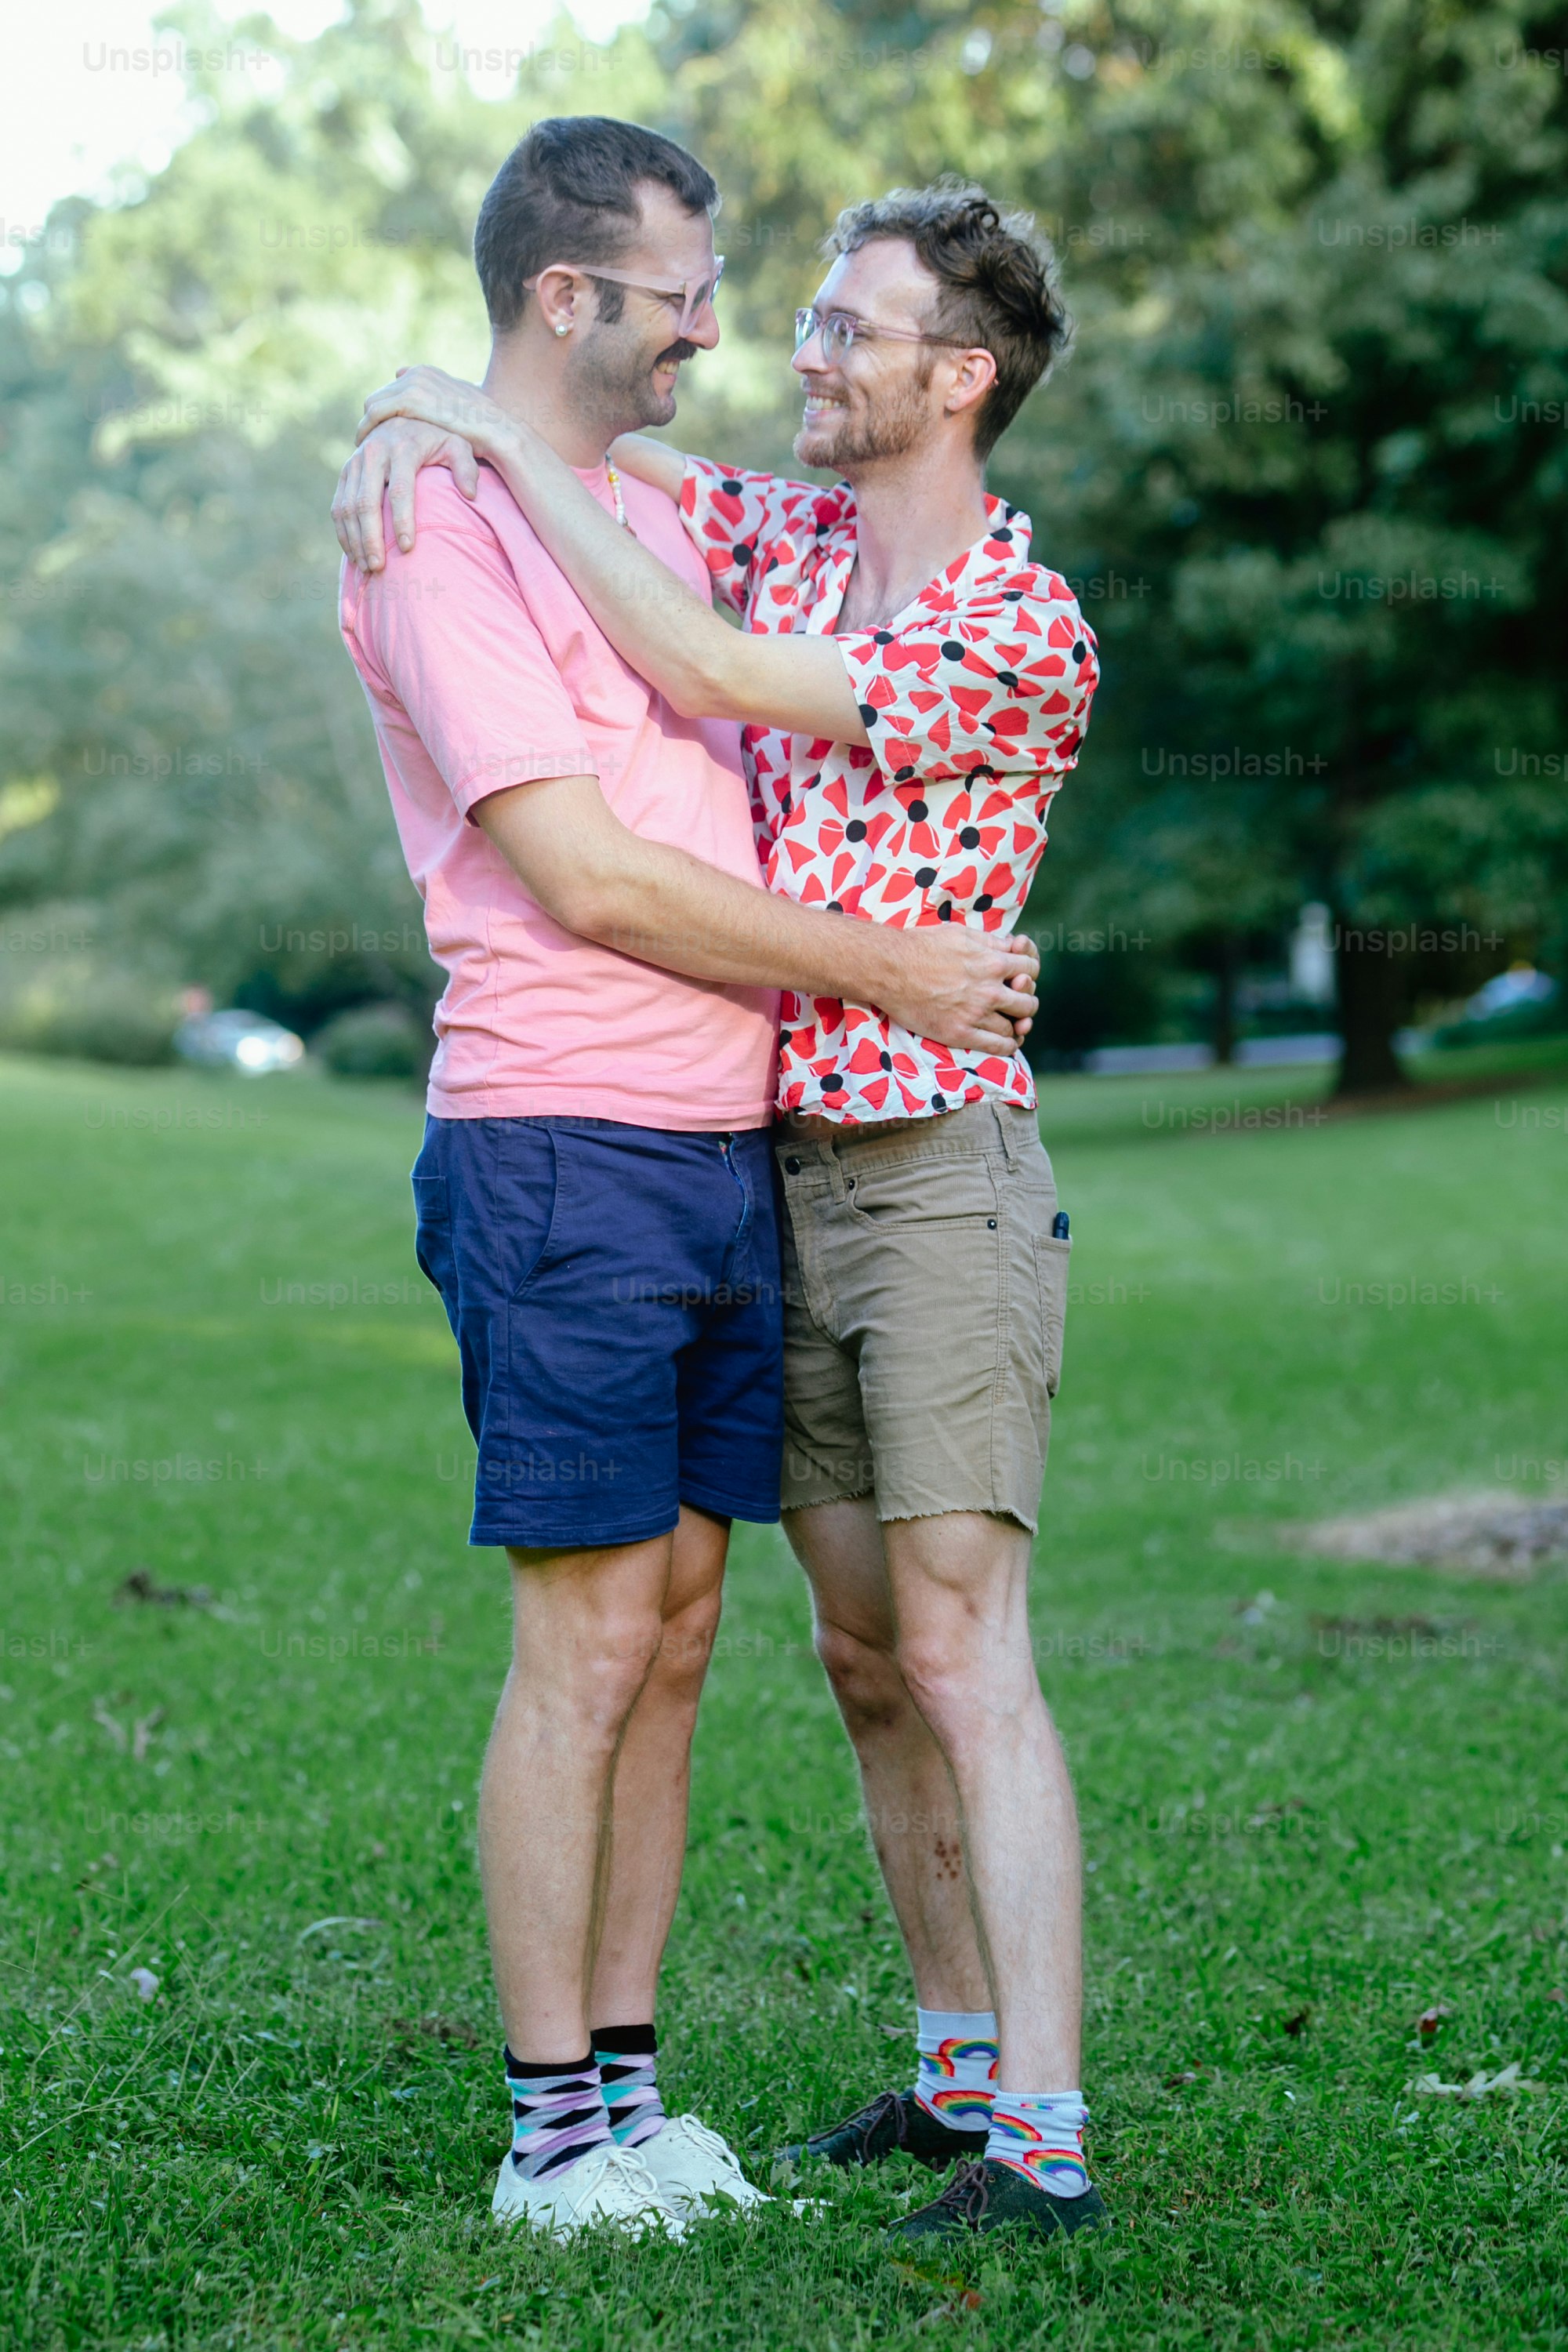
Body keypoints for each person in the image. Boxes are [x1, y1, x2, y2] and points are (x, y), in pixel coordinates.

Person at [333, 120, 1039, 2243]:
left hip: (721, 1144)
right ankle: (553, 2134)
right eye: (683, 293)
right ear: (573, 296)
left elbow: (743, 671)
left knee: (677, 1625)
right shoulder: (437, 538)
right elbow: (590, 872)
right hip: (565, 1134)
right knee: (583, 1638)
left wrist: (421, 394)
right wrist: (896, 968)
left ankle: (627, 2102)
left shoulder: (668, 516)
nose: (720, 333)